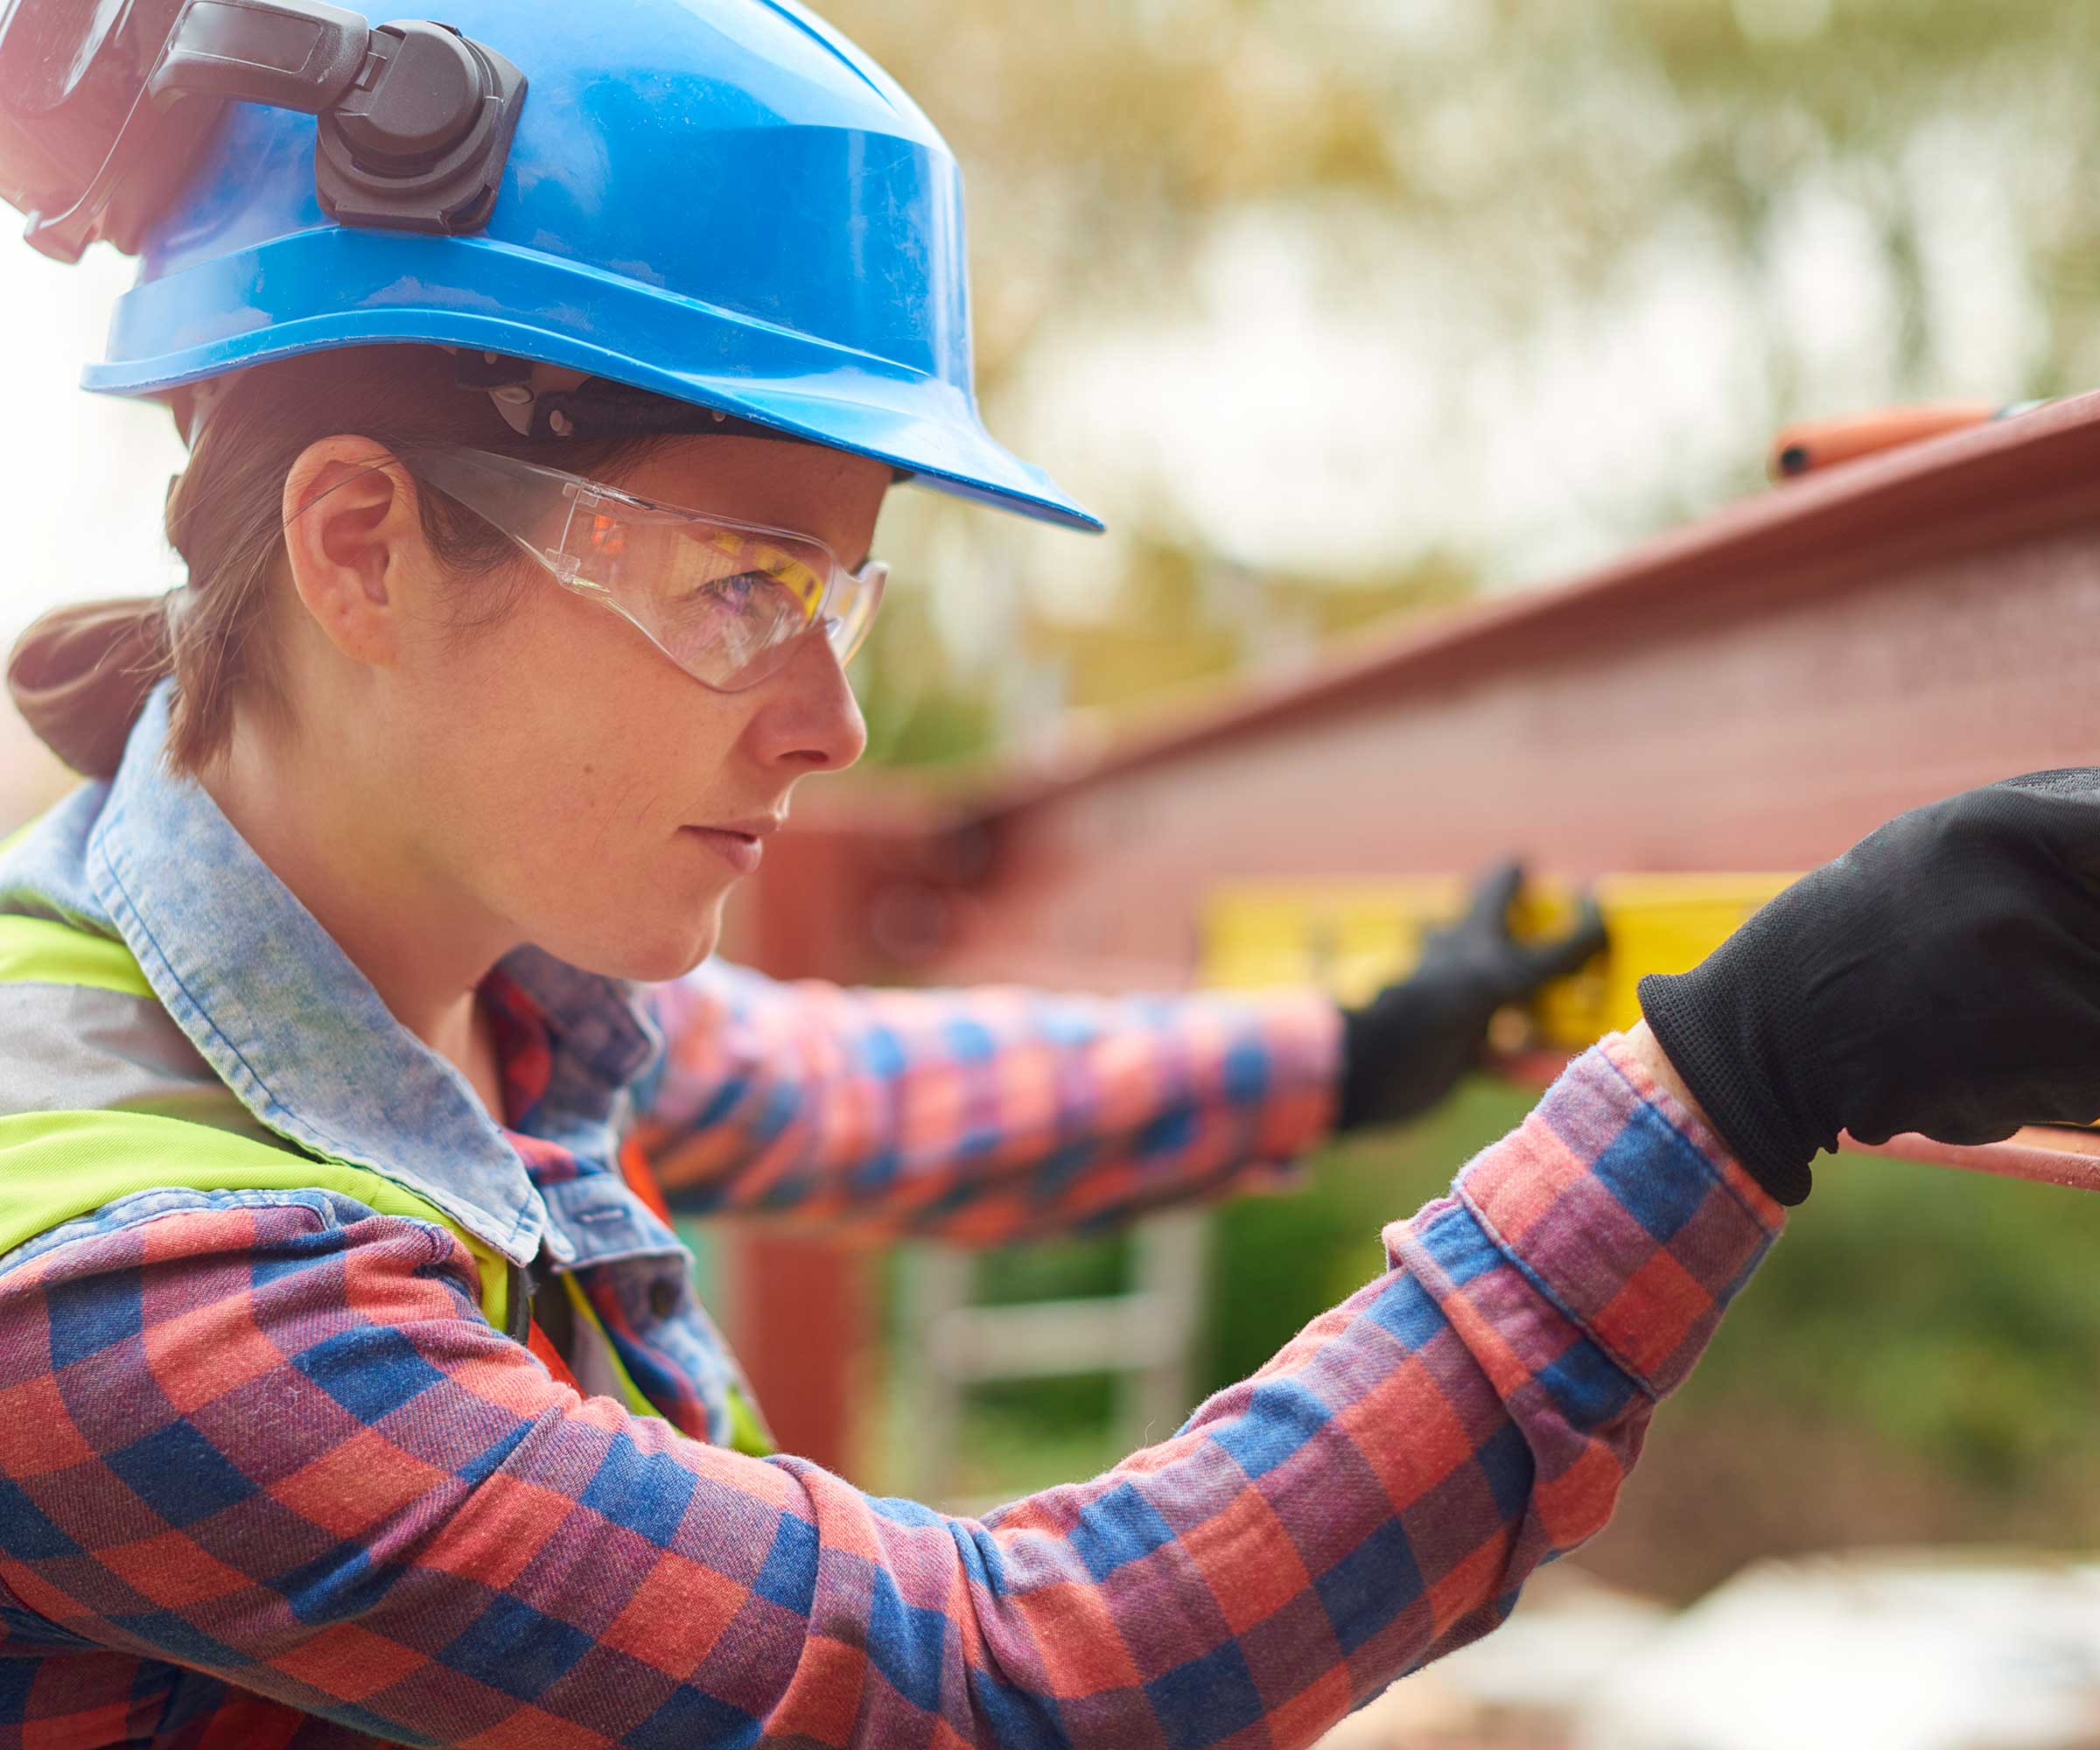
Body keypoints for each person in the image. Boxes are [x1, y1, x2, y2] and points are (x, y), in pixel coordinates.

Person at [4, 4, 2100, 1747]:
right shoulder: (146, 1302)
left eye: (843, 592)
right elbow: (1012, 1685)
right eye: (741, 585)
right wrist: (1724, 1090)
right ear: (361, 546)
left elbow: (864, 1098)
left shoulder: (415, 963)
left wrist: (1367, 1046)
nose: (828, 719)